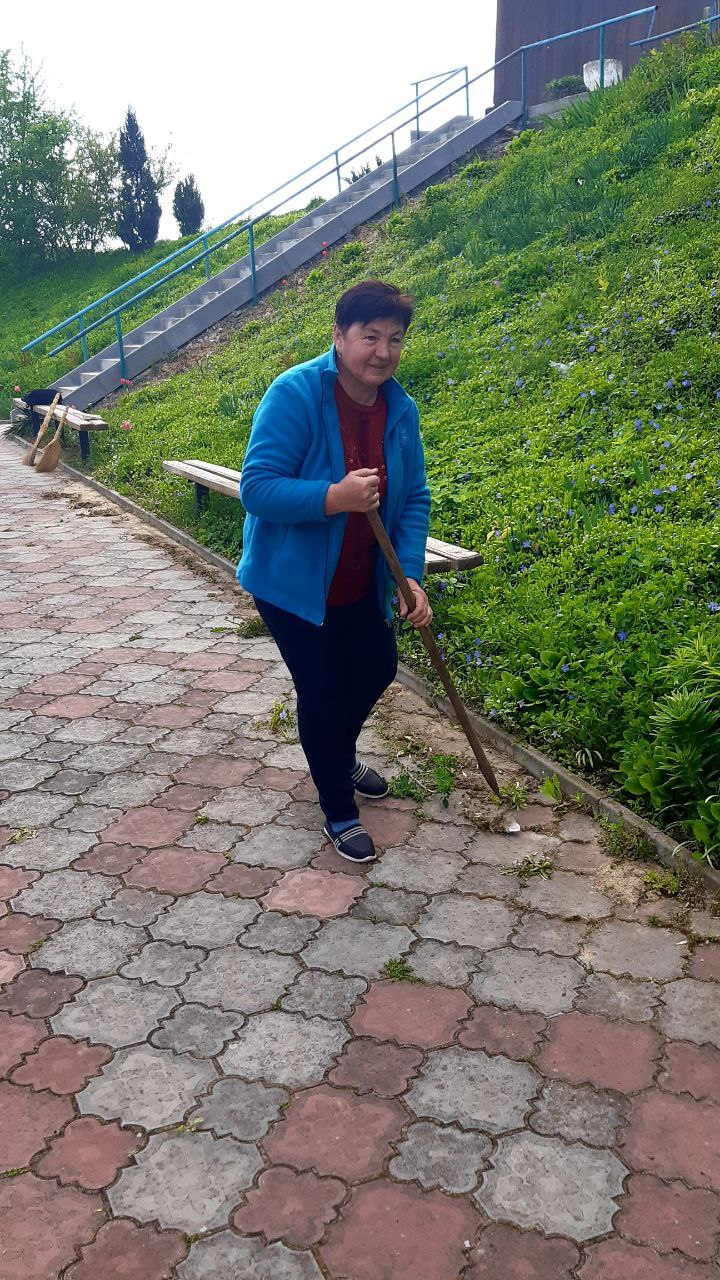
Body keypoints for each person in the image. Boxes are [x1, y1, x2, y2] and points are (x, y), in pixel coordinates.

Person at [237, 279, 431, 863]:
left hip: (360, 580)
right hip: (292, 584)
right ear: (339, 337)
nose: (383, 352)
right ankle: (338, 808)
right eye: (369, 336)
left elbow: (413, 499)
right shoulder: (295, 393)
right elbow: (257, 488)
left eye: (394, 339)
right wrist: (334, 497)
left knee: (376, 667)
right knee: (322, 690)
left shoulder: (400, 409)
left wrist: (410, 576)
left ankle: (336, 754)